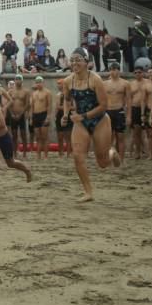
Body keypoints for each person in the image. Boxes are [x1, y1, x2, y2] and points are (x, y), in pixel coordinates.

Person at [61, 48, 121, 202]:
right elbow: (67, 99)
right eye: (72, 60)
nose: (75, 63)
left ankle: (111, 152)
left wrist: (83, 116)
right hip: (80, 122)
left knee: (102, 163)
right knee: (77, 156)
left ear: (86, 62)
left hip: (100, 120)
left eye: (79, 59)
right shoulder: (68, 81)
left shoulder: (95, 79)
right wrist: (66, 114)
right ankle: (88, 192)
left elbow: (103, 105)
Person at [104, 62, 130, 163]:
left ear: (119, 70)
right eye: (111, 69)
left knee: (120, 137)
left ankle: (121, 159)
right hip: (108, 111)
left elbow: (129, 100)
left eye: (115, 69)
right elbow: (101, 100)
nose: (113, 71)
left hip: (119, 111)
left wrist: (128, 116)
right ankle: (110, 158)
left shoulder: (125, 83)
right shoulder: (104, 84)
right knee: (109, 137)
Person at [129, 66, 152, 160]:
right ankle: (137, 152)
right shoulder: (131, 84)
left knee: (149, 132)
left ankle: (150, 153)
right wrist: (129, 111)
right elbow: (128, 98)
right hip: (135, 108)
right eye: (136, 72)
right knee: (136, 132)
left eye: (139, 72)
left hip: (146, 108)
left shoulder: (148, 83)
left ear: (143, 73)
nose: (138, 74)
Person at [6, 74, 31, 159]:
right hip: (13, 115)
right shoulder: (10, 92)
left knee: (23, 134)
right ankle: (15, 153)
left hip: (21, 115)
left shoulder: (26, 91)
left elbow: (27, 104)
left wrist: (21, 114)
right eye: (16, 79)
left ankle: (24, 153)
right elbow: (8, 104)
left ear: (22, 80)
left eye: (19, 79)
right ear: (15, 80)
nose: (18, 81)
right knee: (14, 135)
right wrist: (12, 114)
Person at [30, 76, 52, 160]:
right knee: (37, 137)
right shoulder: (33, 93)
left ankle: (45, 155)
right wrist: (31, 118)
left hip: (44, 115)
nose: (38, 84)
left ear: (43, 83)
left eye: (40, 82)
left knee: (44, 137)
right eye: (37, 82)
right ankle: (38, 155)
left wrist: (48, 117)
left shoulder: (47, 92)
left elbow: (49, 105)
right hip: (36, 116)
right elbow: (32, 106)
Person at [54, 79, 72, 158]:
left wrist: (67, 109)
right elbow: (57, 107)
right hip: (59, 115)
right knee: (60, 136)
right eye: (58, 84)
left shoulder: (69, 94)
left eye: (60, 84)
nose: (59, 85)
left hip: (67, 114)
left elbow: (72, 106)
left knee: (68, 136)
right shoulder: (58, 95)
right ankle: (60, 153)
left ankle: (69, 153)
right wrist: (55, 115)